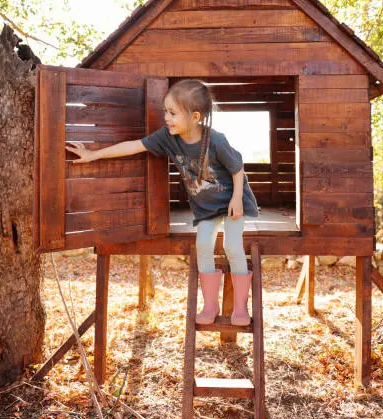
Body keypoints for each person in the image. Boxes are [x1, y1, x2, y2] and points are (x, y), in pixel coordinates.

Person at [65, 79, 260, 326]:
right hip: (207, 208)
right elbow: (133, 146)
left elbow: (237, 168)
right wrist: (93, 155)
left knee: (233, 247)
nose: (166, 118)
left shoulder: (216, 140)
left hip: (234, 201)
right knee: (203, 245)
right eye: (165, 111)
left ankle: (241, 309)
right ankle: (210, 305)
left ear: (195, 116)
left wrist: (236, 199)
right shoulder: (167, 138)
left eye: (173, 113)